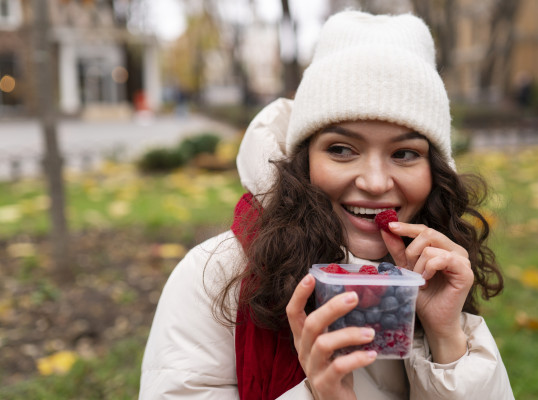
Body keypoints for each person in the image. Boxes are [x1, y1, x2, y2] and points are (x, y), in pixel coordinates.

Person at [139, 10, 514, 399]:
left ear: (436, 170)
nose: (374, 182)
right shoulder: (215, 278)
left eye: (404, 154)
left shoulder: (435, 277)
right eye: (341, 149)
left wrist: (447, 341)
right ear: (303, 161)